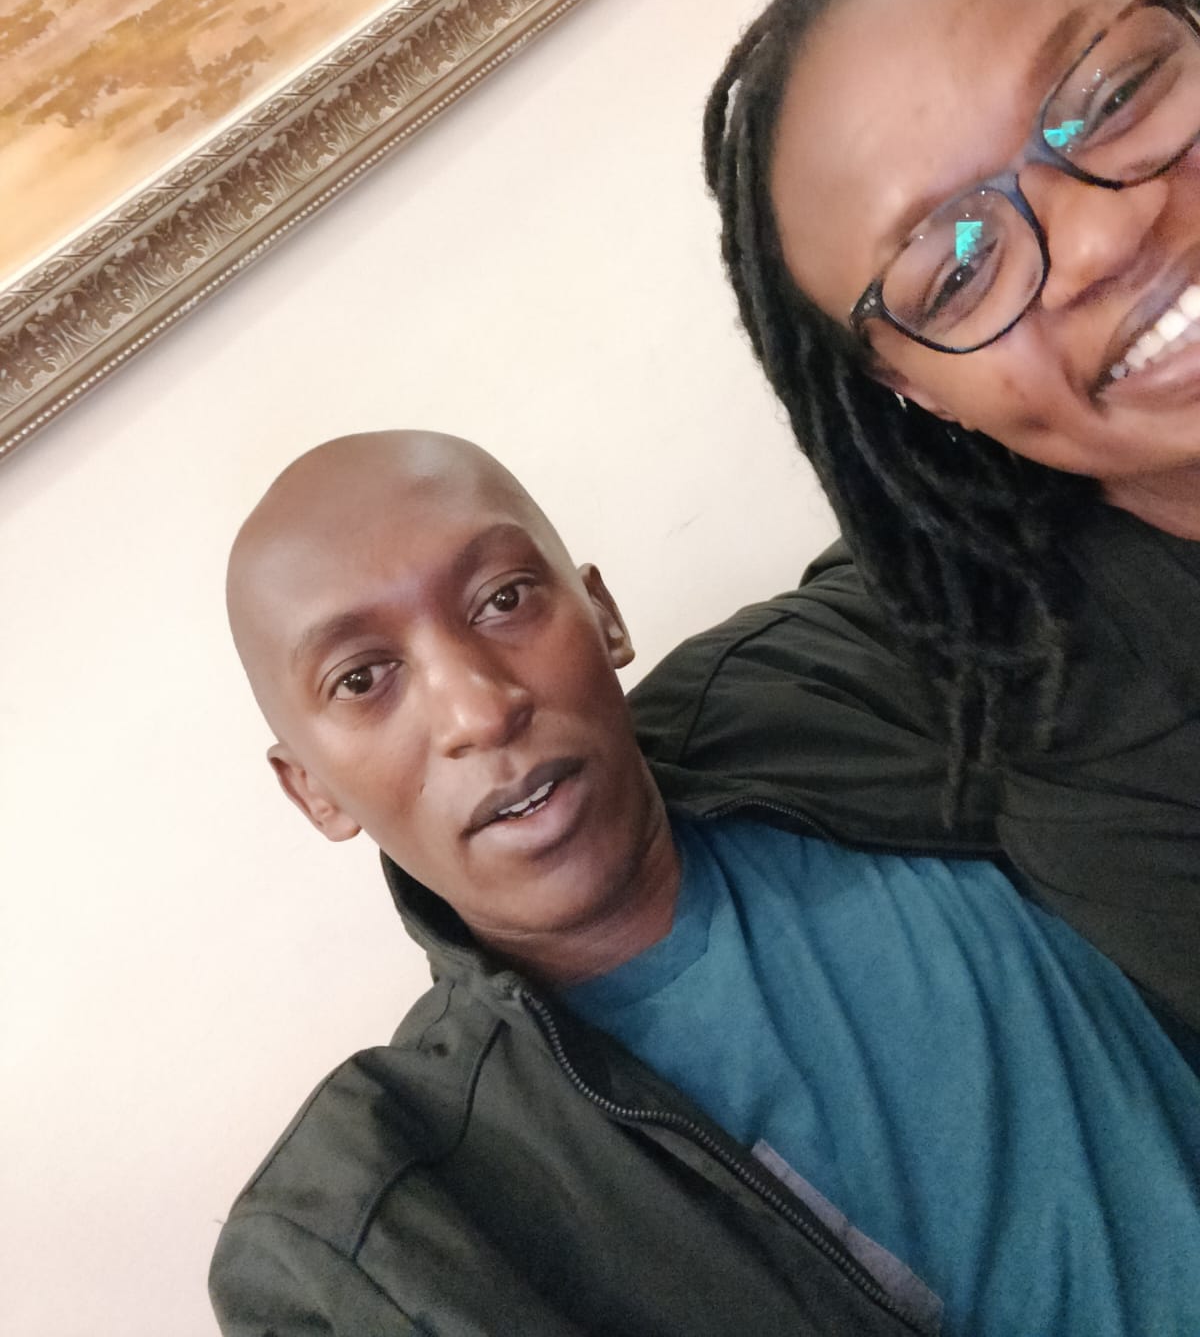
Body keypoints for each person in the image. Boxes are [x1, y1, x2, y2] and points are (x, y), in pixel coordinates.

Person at [211, 430, 1200, 1337]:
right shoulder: (399, 1216)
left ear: (601, 614)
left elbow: (1044, 472)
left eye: (504, 600)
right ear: (313, 790)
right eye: (361, 678)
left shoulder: (825, 679)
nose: (479, 708)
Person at [633, 0, 1200, 1043]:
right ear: (919, 393)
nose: (1102, 235)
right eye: (958, 271)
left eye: (1117, 94)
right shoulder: (1115, 765)